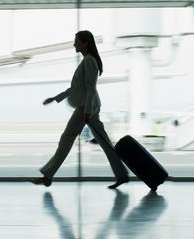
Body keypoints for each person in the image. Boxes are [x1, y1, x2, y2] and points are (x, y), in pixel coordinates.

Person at [31, 30, 129, 189]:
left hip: (86, 107)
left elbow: (91, 88)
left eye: (77, 41)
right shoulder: (87, 61)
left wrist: (87, 112)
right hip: (88, 107)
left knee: (67, 138)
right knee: (103, 142)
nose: (74, 44)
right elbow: (75, 88)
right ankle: (122, 175)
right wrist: (55, 98)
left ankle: (47, 176)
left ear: (85, 43)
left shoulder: (89, 61)